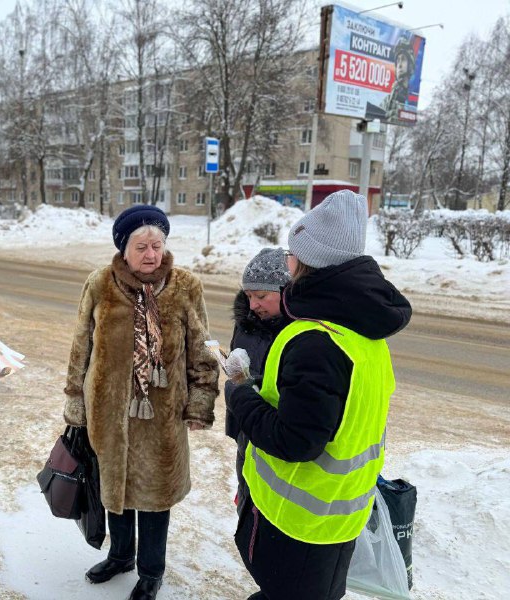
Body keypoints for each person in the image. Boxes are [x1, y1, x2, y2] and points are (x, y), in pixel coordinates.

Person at [226, 190, 412, 600]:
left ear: (306, 261)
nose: (286, 262)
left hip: (298, 521)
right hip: (339, 514)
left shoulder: (316, 340)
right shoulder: (363, 332)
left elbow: (296, 440)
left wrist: (239, 393)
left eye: (292, 254)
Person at [63, 204, 219, 600]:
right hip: (108, 411)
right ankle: (120, 556)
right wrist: (75, 402)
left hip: (161, 416)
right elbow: (81, 346)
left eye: (157, 245)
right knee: (114, 488)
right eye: (141, 246)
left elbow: (202, 347)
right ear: (123, 248)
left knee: (154, 494)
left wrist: (200, 402)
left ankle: (151, 570)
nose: (151, 255)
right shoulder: (99, 284)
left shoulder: (185, 286)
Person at [224, 248, 291, 517]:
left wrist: (252, 384)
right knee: (248, 500)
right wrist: (235, 372)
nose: (253, 305)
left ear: (285, 291)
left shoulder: (300, 331)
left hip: (278, 433)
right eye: (249, 296)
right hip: (247, 431)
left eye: (261, 296)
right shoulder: (246, 323)